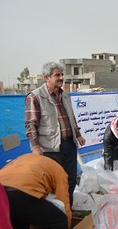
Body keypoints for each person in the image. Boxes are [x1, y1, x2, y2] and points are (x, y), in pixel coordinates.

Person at [25, 62, 86, 206]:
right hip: (50, 149)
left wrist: (77, 135)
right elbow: (30, 124)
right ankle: (56, 215)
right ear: (46, 78)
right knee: (53, 184)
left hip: (69, 145)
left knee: (70, 179)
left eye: (62, 75)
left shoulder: (64, 94)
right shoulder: (35, 97)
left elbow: (71, 117)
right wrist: (35, 147)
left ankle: (67, 211)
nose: (61, 78)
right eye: (57, 75)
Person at [0, 154, 71, 229]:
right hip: (19, 192)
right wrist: (68, 223)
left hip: (2, 192)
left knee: (19, 222)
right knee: (59, 220)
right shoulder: (59, 169)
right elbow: (64, 201)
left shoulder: (28, 156)